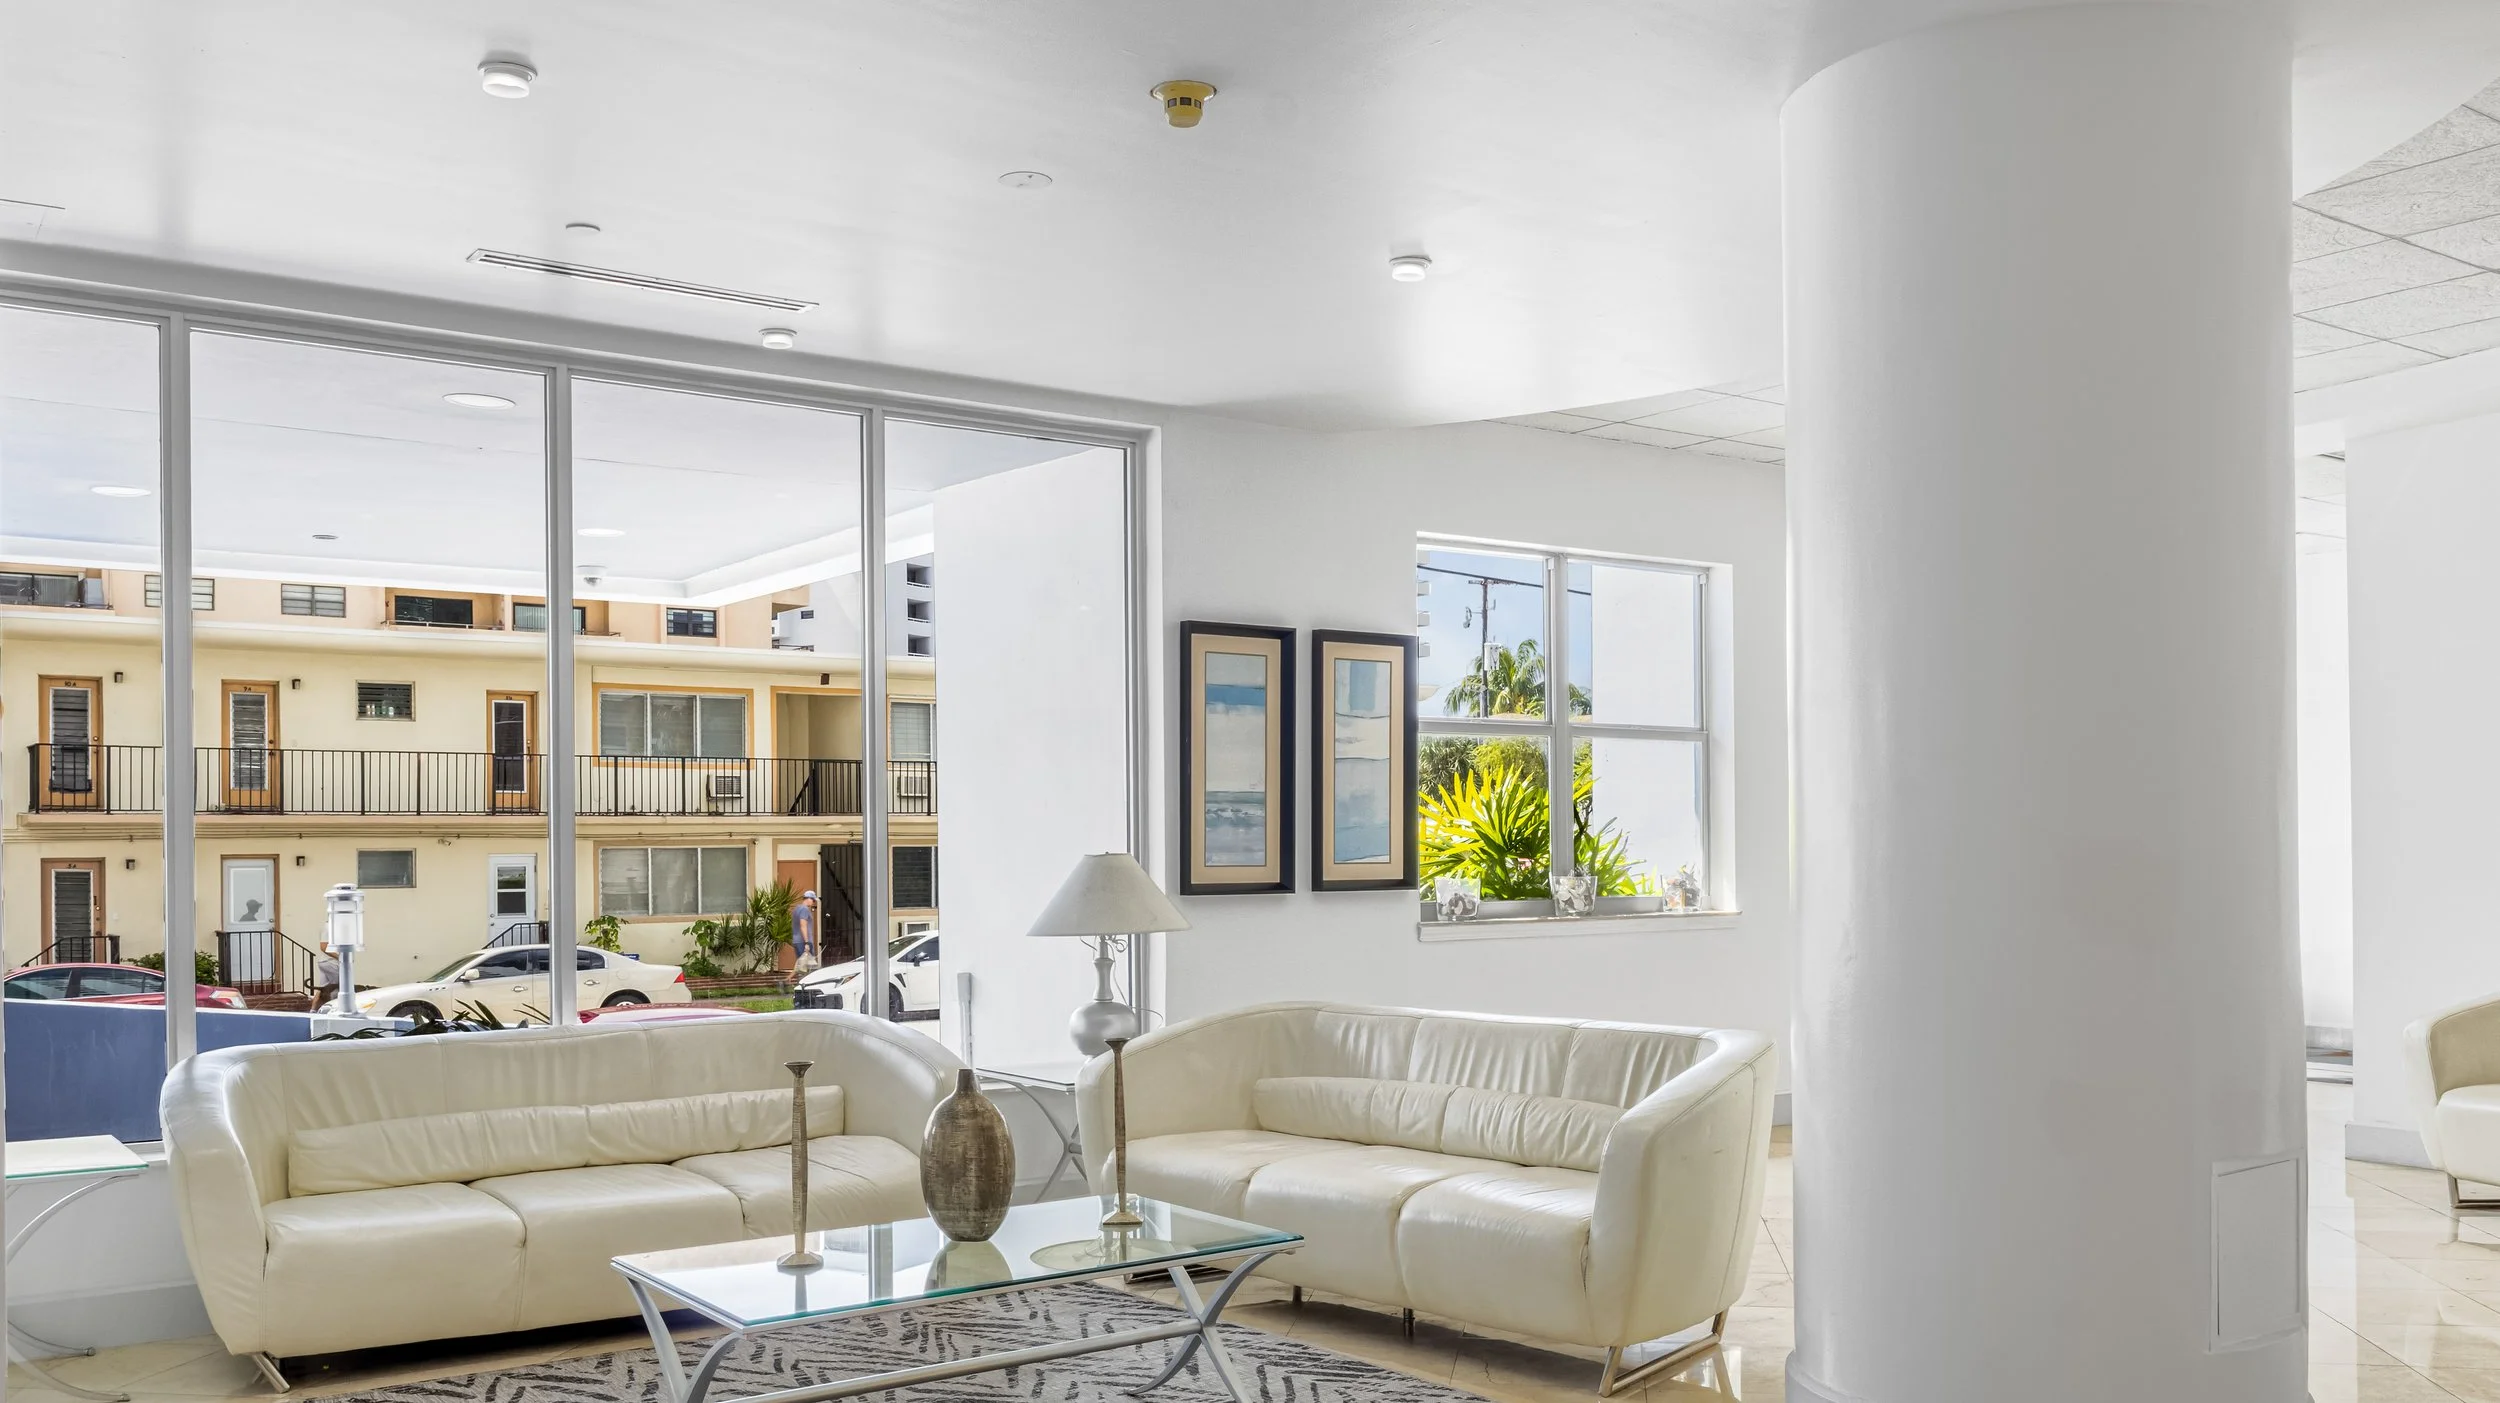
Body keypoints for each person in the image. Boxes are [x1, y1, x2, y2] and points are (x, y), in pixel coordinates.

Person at [791, 890, 822, 973]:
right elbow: (803, 925)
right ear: (808, 898)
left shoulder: (797, 909)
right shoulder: (804, 909)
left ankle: (801, 983)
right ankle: (808, 984)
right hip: (803, 942)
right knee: (810, 968)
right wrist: (807, 943)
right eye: (813, 900)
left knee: (802, 966)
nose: (813, 902)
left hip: (797, 941)